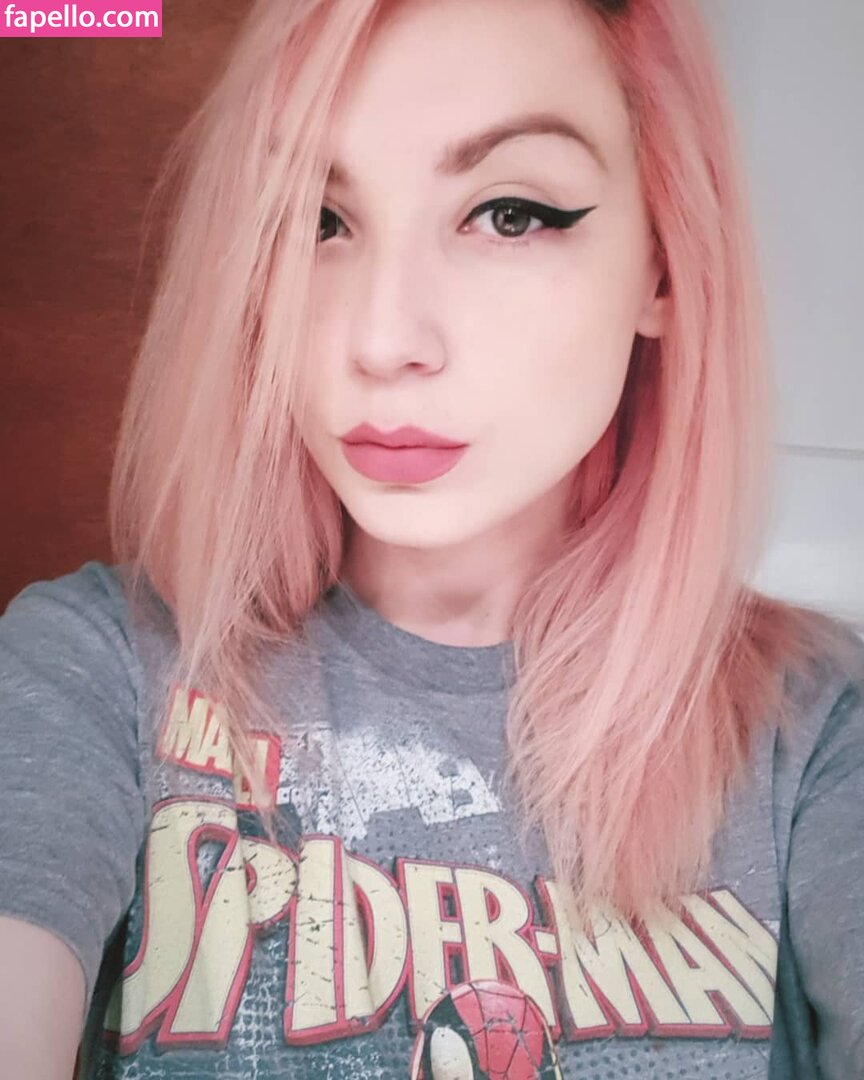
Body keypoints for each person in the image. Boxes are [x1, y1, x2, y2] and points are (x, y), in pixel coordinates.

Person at [0, 0, 862, 1076]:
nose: (380, 338)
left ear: (662, 261)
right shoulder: (95, 668)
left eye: (509, 213)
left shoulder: (816, 731)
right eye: (315, 220)